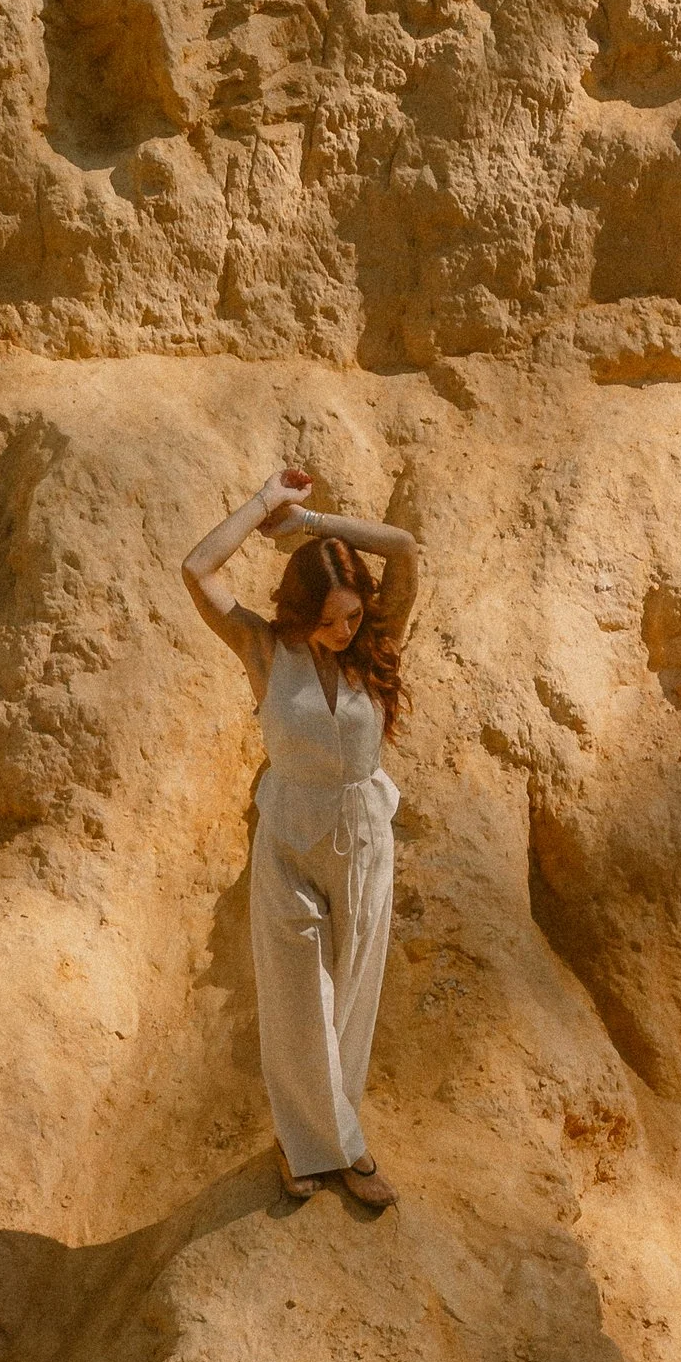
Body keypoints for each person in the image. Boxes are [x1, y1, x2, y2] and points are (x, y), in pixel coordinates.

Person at [182, 464, 420, 1208]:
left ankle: (326, 1138)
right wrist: (265, 504)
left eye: (353, 616)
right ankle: (327, 1144)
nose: (345, 630)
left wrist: (318, 526)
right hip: (289, 835)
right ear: (298, 608)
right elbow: (197, 568)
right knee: (297, 998)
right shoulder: (263, 649)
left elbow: (406, 549)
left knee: (350, 997)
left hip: (363, 834)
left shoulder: (373, 641)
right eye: (331, 618)